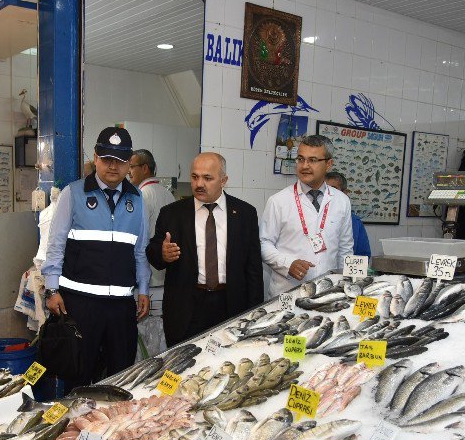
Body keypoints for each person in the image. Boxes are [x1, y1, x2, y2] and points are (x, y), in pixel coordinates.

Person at [42, 127, 150, 388]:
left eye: (121, 161)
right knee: (78, 373)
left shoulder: (137, 200)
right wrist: (51, 289)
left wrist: (143, 289)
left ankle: (113, 427)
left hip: (121, 308)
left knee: (120, 377)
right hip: (80, 306)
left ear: (129, 164)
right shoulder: (74, 193)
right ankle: (73, 427)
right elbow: (55, 244)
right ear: (96, 157)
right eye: (107, 159)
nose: (113, 166)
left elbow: (140, 250)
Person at [146, 152, 264, 347]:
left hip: (231, 304)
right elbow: (153, 252)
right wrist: (162, 253)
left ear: (223, 180)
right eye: (195, 177)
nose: (199, 183)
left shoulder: (245, 213)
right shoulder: (172, 213)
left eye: (207, 178)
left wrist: (255, 313)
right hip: (186, 308)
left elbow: (253, 269)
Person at [260, 134, 354, 297]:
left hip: (328, 291)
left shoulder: (342, 201)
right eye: (300, 159)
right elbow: (263, 244)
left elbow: (345, 249)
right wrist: (287, 264)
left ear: (328, 164)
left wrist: (346, 286)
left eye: (313, 160)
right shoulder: (278, 201)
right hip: (288, 292)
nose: (304, 166)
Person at [129, 148, 175, 355]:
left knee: (142, 345)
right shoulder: (167, 194)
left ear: (145, 168)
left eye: (132, 166)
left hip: (146, 283)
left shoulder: (142, 196)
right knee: (161, 341)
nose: (129, 171)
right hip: (165, 281)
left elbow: (138, 241)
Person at [325, 171, 372, 258]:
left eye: (333, 189)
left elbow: (362, 257)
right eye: (325, 190)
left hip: (343, 270)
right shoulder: (311, 216)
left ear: (344, 193)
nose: (328, 194)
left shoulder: (355, 222)